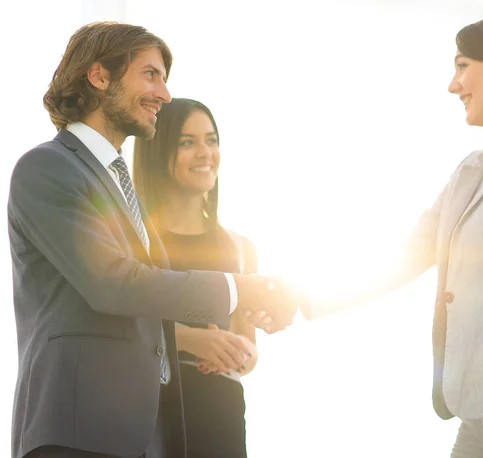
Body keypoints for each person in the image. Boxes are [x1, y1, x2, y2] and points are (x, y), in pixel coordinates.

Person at [306, 11, 483, 458]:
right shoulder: (471, 170)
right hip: (477, 412)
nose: (453, 84)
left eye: (462, 67)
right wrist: (304, 299)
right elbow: (408, 255)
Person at [9, 22, 300, 458]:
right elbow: (114, 283)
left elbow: (149, 305)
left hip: (144, 439)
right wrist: (239, 289)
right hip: (76, 434)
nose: (163, 94)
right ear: (99, 76)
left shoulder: (123, 193)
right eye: (150, 75)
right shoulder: (47, 168)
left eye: (164, 79)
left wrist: (248, 304)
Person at [132, 98, 257, 458]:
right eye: (187, 142)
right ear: (159, 150)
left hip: (223, 420)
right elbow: (116, 326)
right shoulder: (136, 242)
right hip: (155, 416)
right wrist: (188, 340)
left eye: (211, 140)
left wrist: (236, 353)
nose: (205, 152)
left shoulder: (240, 248)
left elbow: (248, 351)